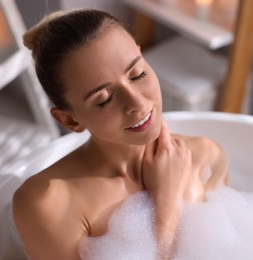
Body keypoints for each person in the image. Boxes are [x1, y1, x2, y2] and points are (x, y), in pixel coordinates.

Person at [12, 8, 228, 260]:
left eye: (138, 74)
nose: (136, 102)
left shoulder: (206, 155)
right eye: (104, 99)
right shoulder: (50, 204)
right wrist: (167, 204)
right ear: (70, 120)